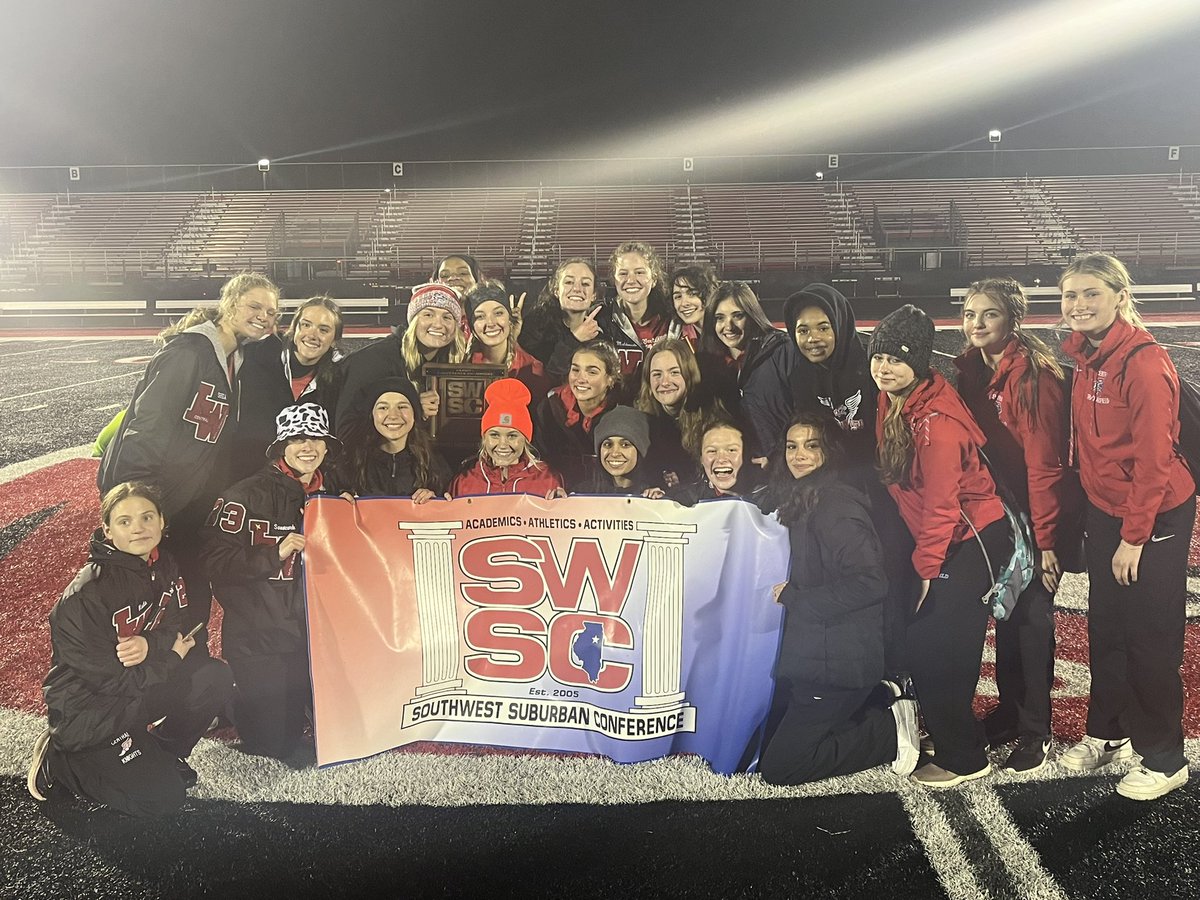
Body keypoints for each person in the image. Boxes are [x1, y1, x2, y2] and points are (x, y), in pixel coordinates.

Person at [1058, 253, 1194, 800]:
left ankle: (1164, 756)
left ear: (1119, 296)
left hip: (1153, 511)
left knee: (1150, 634)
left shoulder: (1141, 362)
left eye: (1091, 293)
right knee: (1106, 627)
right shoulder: (1085, 357)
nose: (1079, 305)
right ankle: (1109, 731)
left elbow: (1156, 461)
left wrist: (1134, 536)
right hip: (1106, 508)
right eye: (1070, 295)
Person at [28, 482, 234, 817]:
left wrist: (148, 643)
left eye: (146, 517)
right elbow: (107, 681)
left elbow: (174, 622)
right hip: (94, 709)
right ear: (107, 531)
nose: (138, 527)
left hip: (136, 689)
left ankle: (162, 754)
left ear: (162, 522)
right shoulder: (85, 596)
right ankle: (60, 762)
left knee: (214, 677)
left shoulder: (164, 565)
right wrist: (168, 657)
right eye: (124, 521)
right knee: (163, 800)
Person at [97, 272, 281, 647]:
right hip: (162, 498)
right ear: (229, 303)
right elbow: (147, 425)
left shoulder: (234, 358)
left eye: (273, 312)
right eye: (256, 306)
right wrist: (136, 499)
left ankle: (187, 681)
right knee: (146, 599)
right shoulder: (189, 352)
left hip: (186, 506)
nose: (266, 316)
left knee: (188, 596)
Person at [870, 303, 1010, 788]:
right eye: (879, 357)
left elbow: (943, 504)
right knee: (929, 643)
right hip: (952, 538)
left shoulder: (936, 421)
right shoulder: (898, 398)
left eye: (896, 359)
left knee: (936, 647)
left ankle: (965, 757)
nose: (884, 368)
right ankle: (956, 736)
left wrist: (927, 570)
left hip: (972, 539)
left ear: (920, 362)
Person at [757, 411, 918, 785]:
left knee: (781, 766)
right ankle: (875, 699)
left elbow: (870, 582)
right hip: (813, 656)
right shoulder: (802, 496)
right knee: (761, 743)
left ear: (829, 452)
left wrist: (797, 599)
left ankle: (888, 731)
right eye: (792, 446)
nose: (799, 455)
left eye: (812, 447)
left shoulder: (836, 505)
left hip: (835, 665)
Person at [954, 276, 1071, 774]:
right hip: (998, 511)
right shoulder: (970, 369)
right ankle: (1006, 713)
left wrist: (1046, 543)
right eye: (970, 314)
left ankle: (1034, 730)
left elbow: (1046, 466)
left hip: (1037, 511)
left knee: (1032, 619)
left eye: (989, 315)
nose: (976, 324)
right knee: (1005, 611)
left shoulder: (1034, 378)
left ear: (1013, 320)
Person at [785, 282, 916, 674]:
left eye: (823, 327)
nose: (813, 338)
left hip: (884, 497)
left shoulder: (872, 365)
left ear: (841, 325)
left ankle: (896, 678)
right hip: (835, 498)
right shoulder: (800, 375)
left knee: (888, 583)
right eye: (803, 330)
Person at [203, 404, 337, 762]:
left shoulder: (336, 494)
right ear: (281, 445)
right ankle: (231, 700)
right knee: (275, 744)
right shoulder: (243, 497)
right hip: (258, 636)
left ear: (326, 445)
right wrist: (272, 555)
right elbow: (212, 562)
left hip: (310, 634)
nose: (307, 447)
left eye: (316, 438)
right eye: (297, 438)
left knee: (327, 730)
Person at [232, 295, 344, 483]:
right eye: (306, 325)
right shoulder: (254, 357)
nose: (312, 334)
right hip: (243, 477)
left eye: (323, 329)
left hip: (298, 486)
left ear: (334, 340)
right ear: (294, 328)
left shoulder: (336, 382)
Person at [335, 281, 468, 434]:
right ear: (413, 320)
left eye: (447, 317)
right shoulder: (372, 361)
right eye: (428, 314)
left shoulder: (450, 364)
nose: (438, 324)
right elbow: (346, 428)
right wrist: (411, 411)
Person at [700, 281, 794, 460]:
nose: (728, 326)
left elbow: (803, 413)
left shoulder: (781, 350)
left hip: (784, 466)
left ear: (752, 315)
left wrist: (777, 457)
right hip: (740, 471)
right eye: (719, 318)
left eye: (737, 316)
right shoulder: (711, 365)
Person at [334, 377, 452, 499]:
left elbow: (450, 511)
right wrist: (339, 503)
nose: (393, 415)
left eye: (402, 407)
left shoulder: (435, 465)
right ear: (372, 415)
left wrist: (436, 501)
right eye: (383, 408)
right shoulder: (348, 464)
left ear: (414, 413)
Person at [449, 378, 565, 497]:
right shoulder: (464, 482)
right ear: (484, 438)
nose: (503, 444)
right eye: (494, 435)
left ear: (525, 439)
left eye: (512, 436)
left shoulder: (548, 480)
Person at [634, 338, 725, 488]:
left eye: (674, 372)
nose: (664, 382)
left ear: (689, 375)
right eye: (657, 374)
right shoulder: (642, 420)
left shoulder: (712, 419)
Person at [536, 342, 622, 490]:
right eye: (575, 370)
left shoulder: (625, 412)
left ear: (611, 379)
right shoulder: (549, 408)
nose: (580, 379)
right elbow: (541, 462)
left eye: (592, 372)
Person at [519, 257, 603, 385]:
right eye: (569, 282)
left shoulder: (602, 333)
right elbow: (544, 382)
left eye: (585, 284)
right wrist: (574, 340)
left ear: (594, 295)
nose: (577, 289)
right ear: (556, 290)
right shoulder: (536, 330)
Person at [465, 282, 550, 401]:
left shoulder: (532, 369)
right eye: (480, 316)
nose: (491, 323)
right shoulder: (460, 365)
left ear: (509, 318)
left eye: (498, 313)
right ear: (472, 326)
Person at [669, 419, 765, 506]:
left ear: (748, 455)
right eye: (712, 451)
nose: (721, 459)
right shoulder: (683, 501)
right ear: (701, 459)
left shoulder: (770, 499)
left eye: (731, 450)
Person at [583, 405, 665, 497]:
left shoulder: (656, 495)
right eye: (608, 444)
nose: (614, 453)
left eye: (625, 445)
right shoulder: (582, 494)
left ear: (640, 450)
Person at [667, 262, 719, 348]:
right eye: (678, 296)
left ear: (708, 294)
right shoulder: (675, 335)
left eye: (692, 294)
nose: (684, 303)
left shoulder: (726, 330)